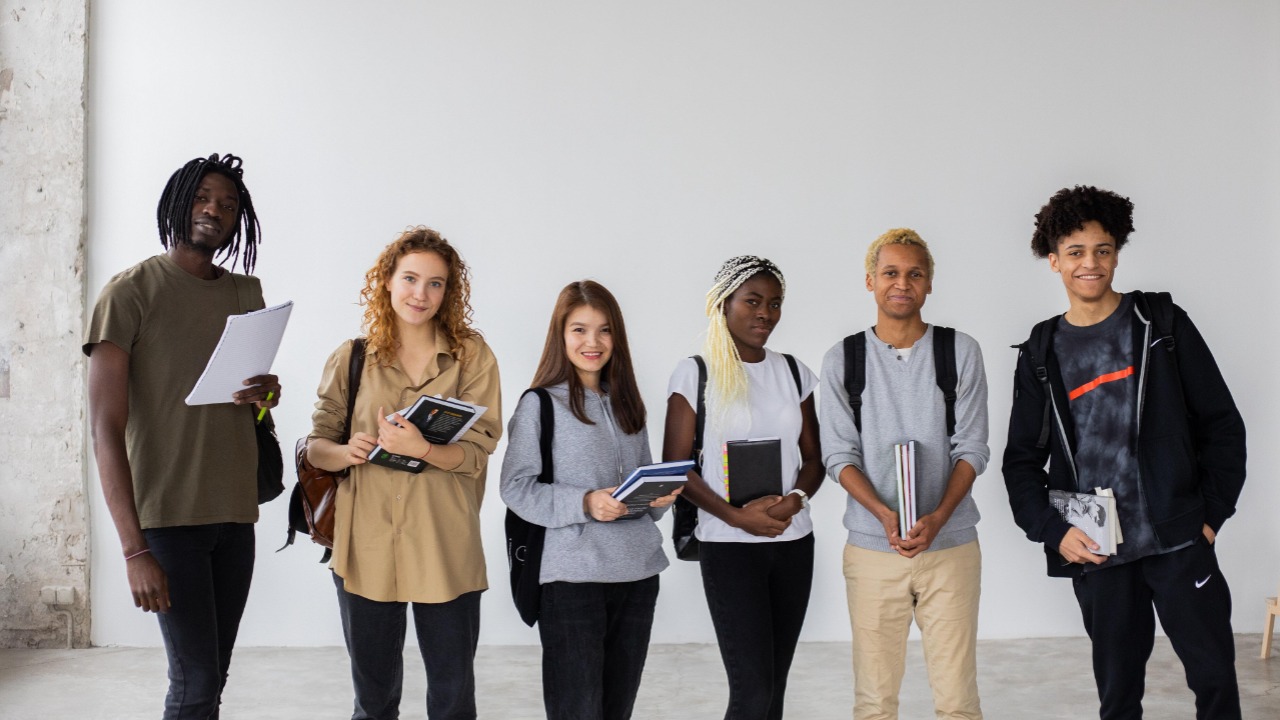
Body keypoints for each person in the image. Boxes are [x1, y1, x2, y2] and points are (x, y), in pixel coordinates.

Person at [1003, 186, 1246, 720]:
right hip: (1099, 552)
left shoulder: (1160, 324)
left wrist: (1208, 520)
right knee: (1117, 700)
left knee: (1214, 682)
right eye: (1075, 252)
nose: (1091, 264)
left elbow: (1222, 426)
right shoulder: (1042, 351)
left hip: (1177, 540)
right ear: (1053, 261)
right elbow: (1020, 461)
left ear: (1116, 253)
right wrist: (1053, 532)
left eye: (1103, 250)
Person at [85, 152, 280, 719]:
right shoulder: (130, 294)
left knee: (210, 677)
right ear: (177, 201)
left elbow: (253, 407)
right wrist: (133, 549)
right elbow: (104, 428)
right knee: (193, 684)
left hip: (234, 512)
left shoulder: (247, 293)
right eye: (202, 197)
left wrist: (266, 394)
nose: (213, 210)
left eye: (227, 203)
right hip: (167, 519)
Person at [306, 227, 502, 720]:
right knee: (372, 703)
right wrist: (347, 451)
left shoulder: (471, 356)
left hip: (444, 542)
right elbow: (316, 447)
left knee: (453, 701)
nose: (421, 294)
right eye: (410, 278)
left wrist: (422, 449)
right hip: (365, 546)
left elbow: (480, 451)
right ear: (387, 281)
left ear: (449, 292)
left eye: (436, 283)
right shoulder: (350, 358)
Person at [819, 229, 989, 720]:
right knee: (874, 701)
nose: (902, 283)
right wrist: (883, 515)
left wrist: (937, 517)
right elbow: (838, 455)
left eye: (915, 274)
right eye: (890, 273)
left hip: (951, 545)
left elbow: (972, 448)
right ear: (870, 282)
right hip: (872, 548)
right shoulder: (843, 360)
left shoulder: (959, 352)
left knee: (958, 700)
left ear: (929, 283)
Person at [501, 280, 682, 720]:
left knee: (617, 710)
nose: (592, 342)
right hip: (571, 580)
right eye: (579, 330)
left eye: (604, 330)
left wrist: (660, 500)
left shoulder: (627, 404)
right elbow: (516, 488)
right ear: (560, 336)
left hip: (638, 574)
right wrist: (585, 502)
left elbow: (636, 493)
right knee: (577, 711)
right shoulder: (539, 405)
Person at [661, 256, 824, 720]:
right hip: (729, 547)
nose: (765, 313)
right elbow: (675, 467)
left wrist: (795, 502)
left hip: (792, 542)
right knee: (751, 692)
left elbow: (814, 459)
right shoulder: (696, 373)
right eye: (752, 301)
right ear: (722, 304)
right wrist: (736, 517)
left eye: (774, 303)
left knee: (774, 688)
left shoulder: (794, 372)